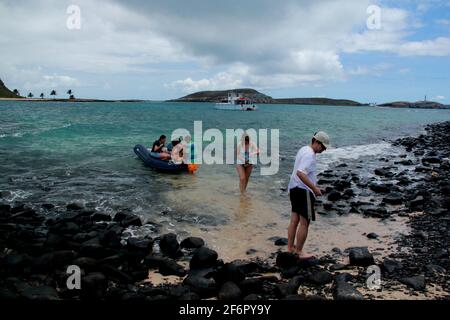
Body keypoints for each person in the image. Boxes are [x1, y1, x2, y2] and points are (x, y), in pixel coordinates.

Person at [287, 131, 330, 259]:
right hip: (303, 190)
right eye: (323, 147)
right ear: (316, 142)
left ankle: (290, 248)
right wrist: (314, 188)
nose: (324, 150)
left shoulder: (303, 149)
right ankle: (299, 251)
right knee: (305, 222)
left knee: (294, 220)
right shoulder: (310, 155)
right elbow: (301, 173)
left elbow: (299, 172)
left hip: (293, 188)